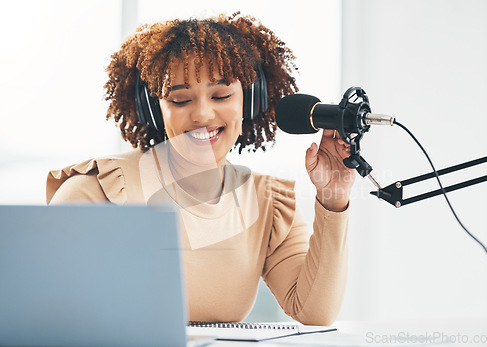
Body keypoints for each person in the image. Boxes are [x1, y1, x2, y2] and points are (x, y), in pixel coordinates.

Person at [46, 12, 356, 325]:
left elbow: (315, 311)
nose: (203, 114)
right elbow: (48, 314)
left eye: (221, 95)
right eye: (180, 100)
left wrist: (334, 195)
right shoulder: (97, 192)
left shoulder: (268, 202)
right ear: (155, 109)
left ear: (248, 101)